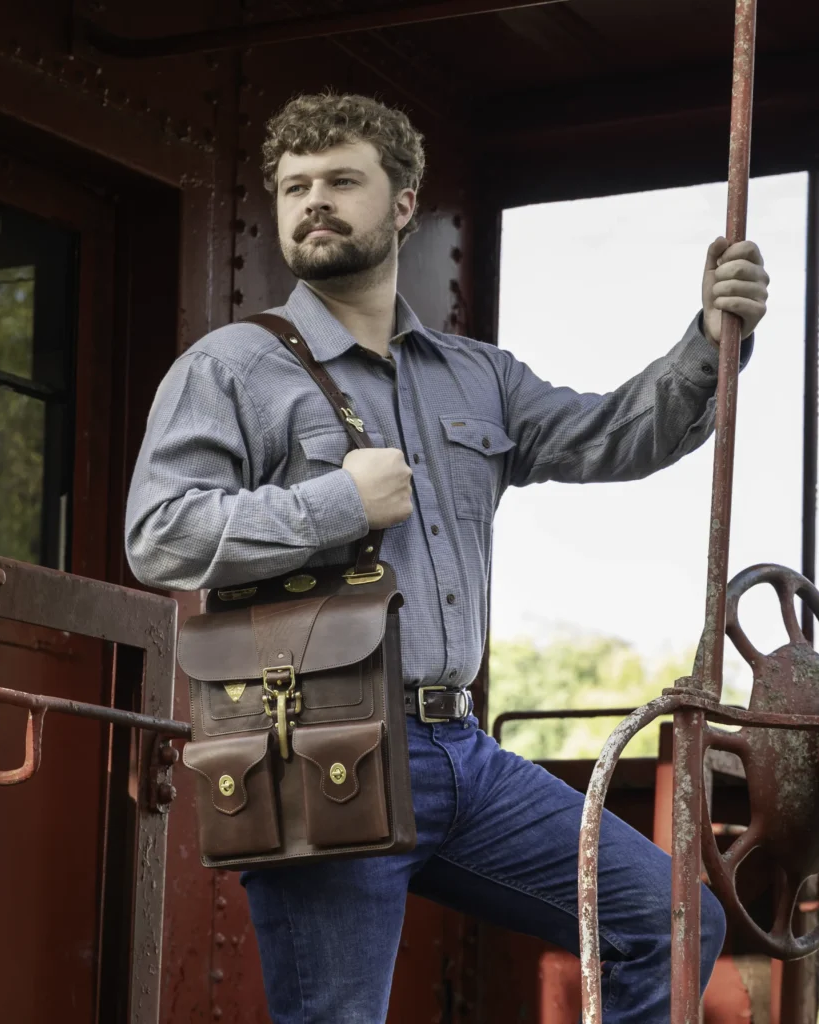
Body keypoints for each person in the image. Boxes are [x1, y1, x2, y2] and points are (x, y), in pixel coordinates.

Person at [125, 93, 769, 1024]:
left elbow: (614, 436)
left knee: (669, 921)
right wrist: (339, 502)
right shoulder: (230, 366)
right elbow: (159, 534)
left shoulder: (478, 376)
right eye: (296, 187)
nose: (314, 201)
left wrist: (709, 341)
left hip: (463, 751)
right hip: (317, 747)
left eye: (341, 181)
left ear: (402, 205)